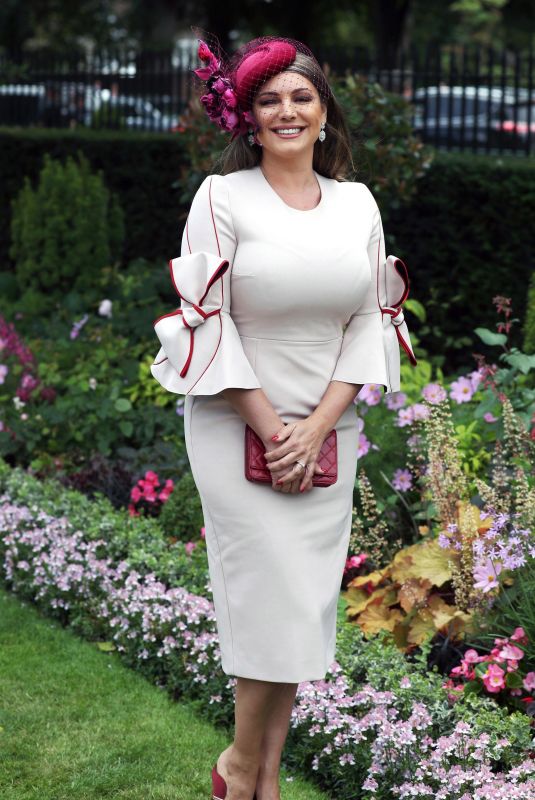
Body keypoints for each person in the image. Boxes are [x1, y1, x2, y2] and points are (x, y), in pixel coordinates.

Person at [151, 32, 417, 800]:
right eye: (269, 99)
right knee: (264, 602)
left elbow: (370, 319)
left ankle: (260, 780)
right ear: (248, 117)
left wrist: (317, 425)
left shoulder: (356, 204)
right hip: (238, 424)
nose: (287, 111)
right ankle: (238, 764)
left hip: (327, 429)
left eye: (301, 96)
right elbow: (209, 322)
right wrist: (275, 430)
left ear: (324, 110)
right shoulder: (219, 197)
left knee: (300, 609)